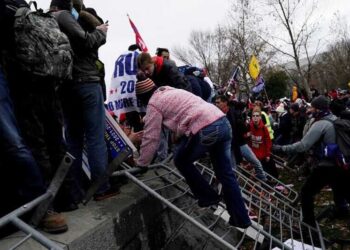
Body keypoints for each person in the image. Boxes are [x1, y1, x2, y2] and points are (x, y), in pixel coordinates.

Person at [135, 78, 251, 229]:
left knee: (181, 160)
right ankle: (241, 219)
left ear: (143, 98)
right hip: (222, 122)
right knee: (226, 174)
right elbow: (184, 118)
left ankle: (208, 197)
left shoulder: (153, 103)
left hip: (206, 127)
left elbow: (151, 137)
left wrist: (142, 163)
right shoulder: (171, 91)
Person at [50, 0, 117, 201]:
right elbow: (87, 42)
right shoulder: (73, 20)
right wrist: (101, 31)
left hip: (65, 87)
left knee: (73, 140)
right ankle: (102, 188)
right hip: (87, 83)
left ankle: (75, 190)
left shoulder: (50, 21)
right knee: (95, 137)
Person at [273, 95, 350, 226]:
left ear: (318, 109)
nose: (309, 109)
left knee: (306, 192)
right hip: (341, 163)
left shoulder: (321, 124)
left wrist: (280, 148)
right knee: (341, 189)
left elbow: (303, 145)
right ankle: (342, 211)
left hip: (327, 165)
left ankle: (309, 225)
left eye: (312, 107)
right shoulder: (334, 118)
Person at [215, 96, 267, 181]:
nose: (216, 104)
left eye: (218, 102)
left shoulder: (233, 112)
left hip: (240, 142)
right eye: (215, 102)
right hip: (229, 146)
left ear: (225, 103)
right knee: (233, 169)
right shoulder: (216, 115)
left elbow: (242, 127)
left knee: (256, 162)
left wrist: (245, 129)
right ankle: (234, 189)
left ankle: (263, 180)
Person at [249, 106, 279, 179]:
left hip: (263, 155)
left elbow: (268, 142)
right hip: (254, 155)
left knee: (269, 170)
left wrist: (268, 154)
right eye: (254, 116)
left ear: (260, 117)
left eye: (257, 116)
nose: (255, 118)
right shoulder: (249, 127)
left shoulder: (263, 128)